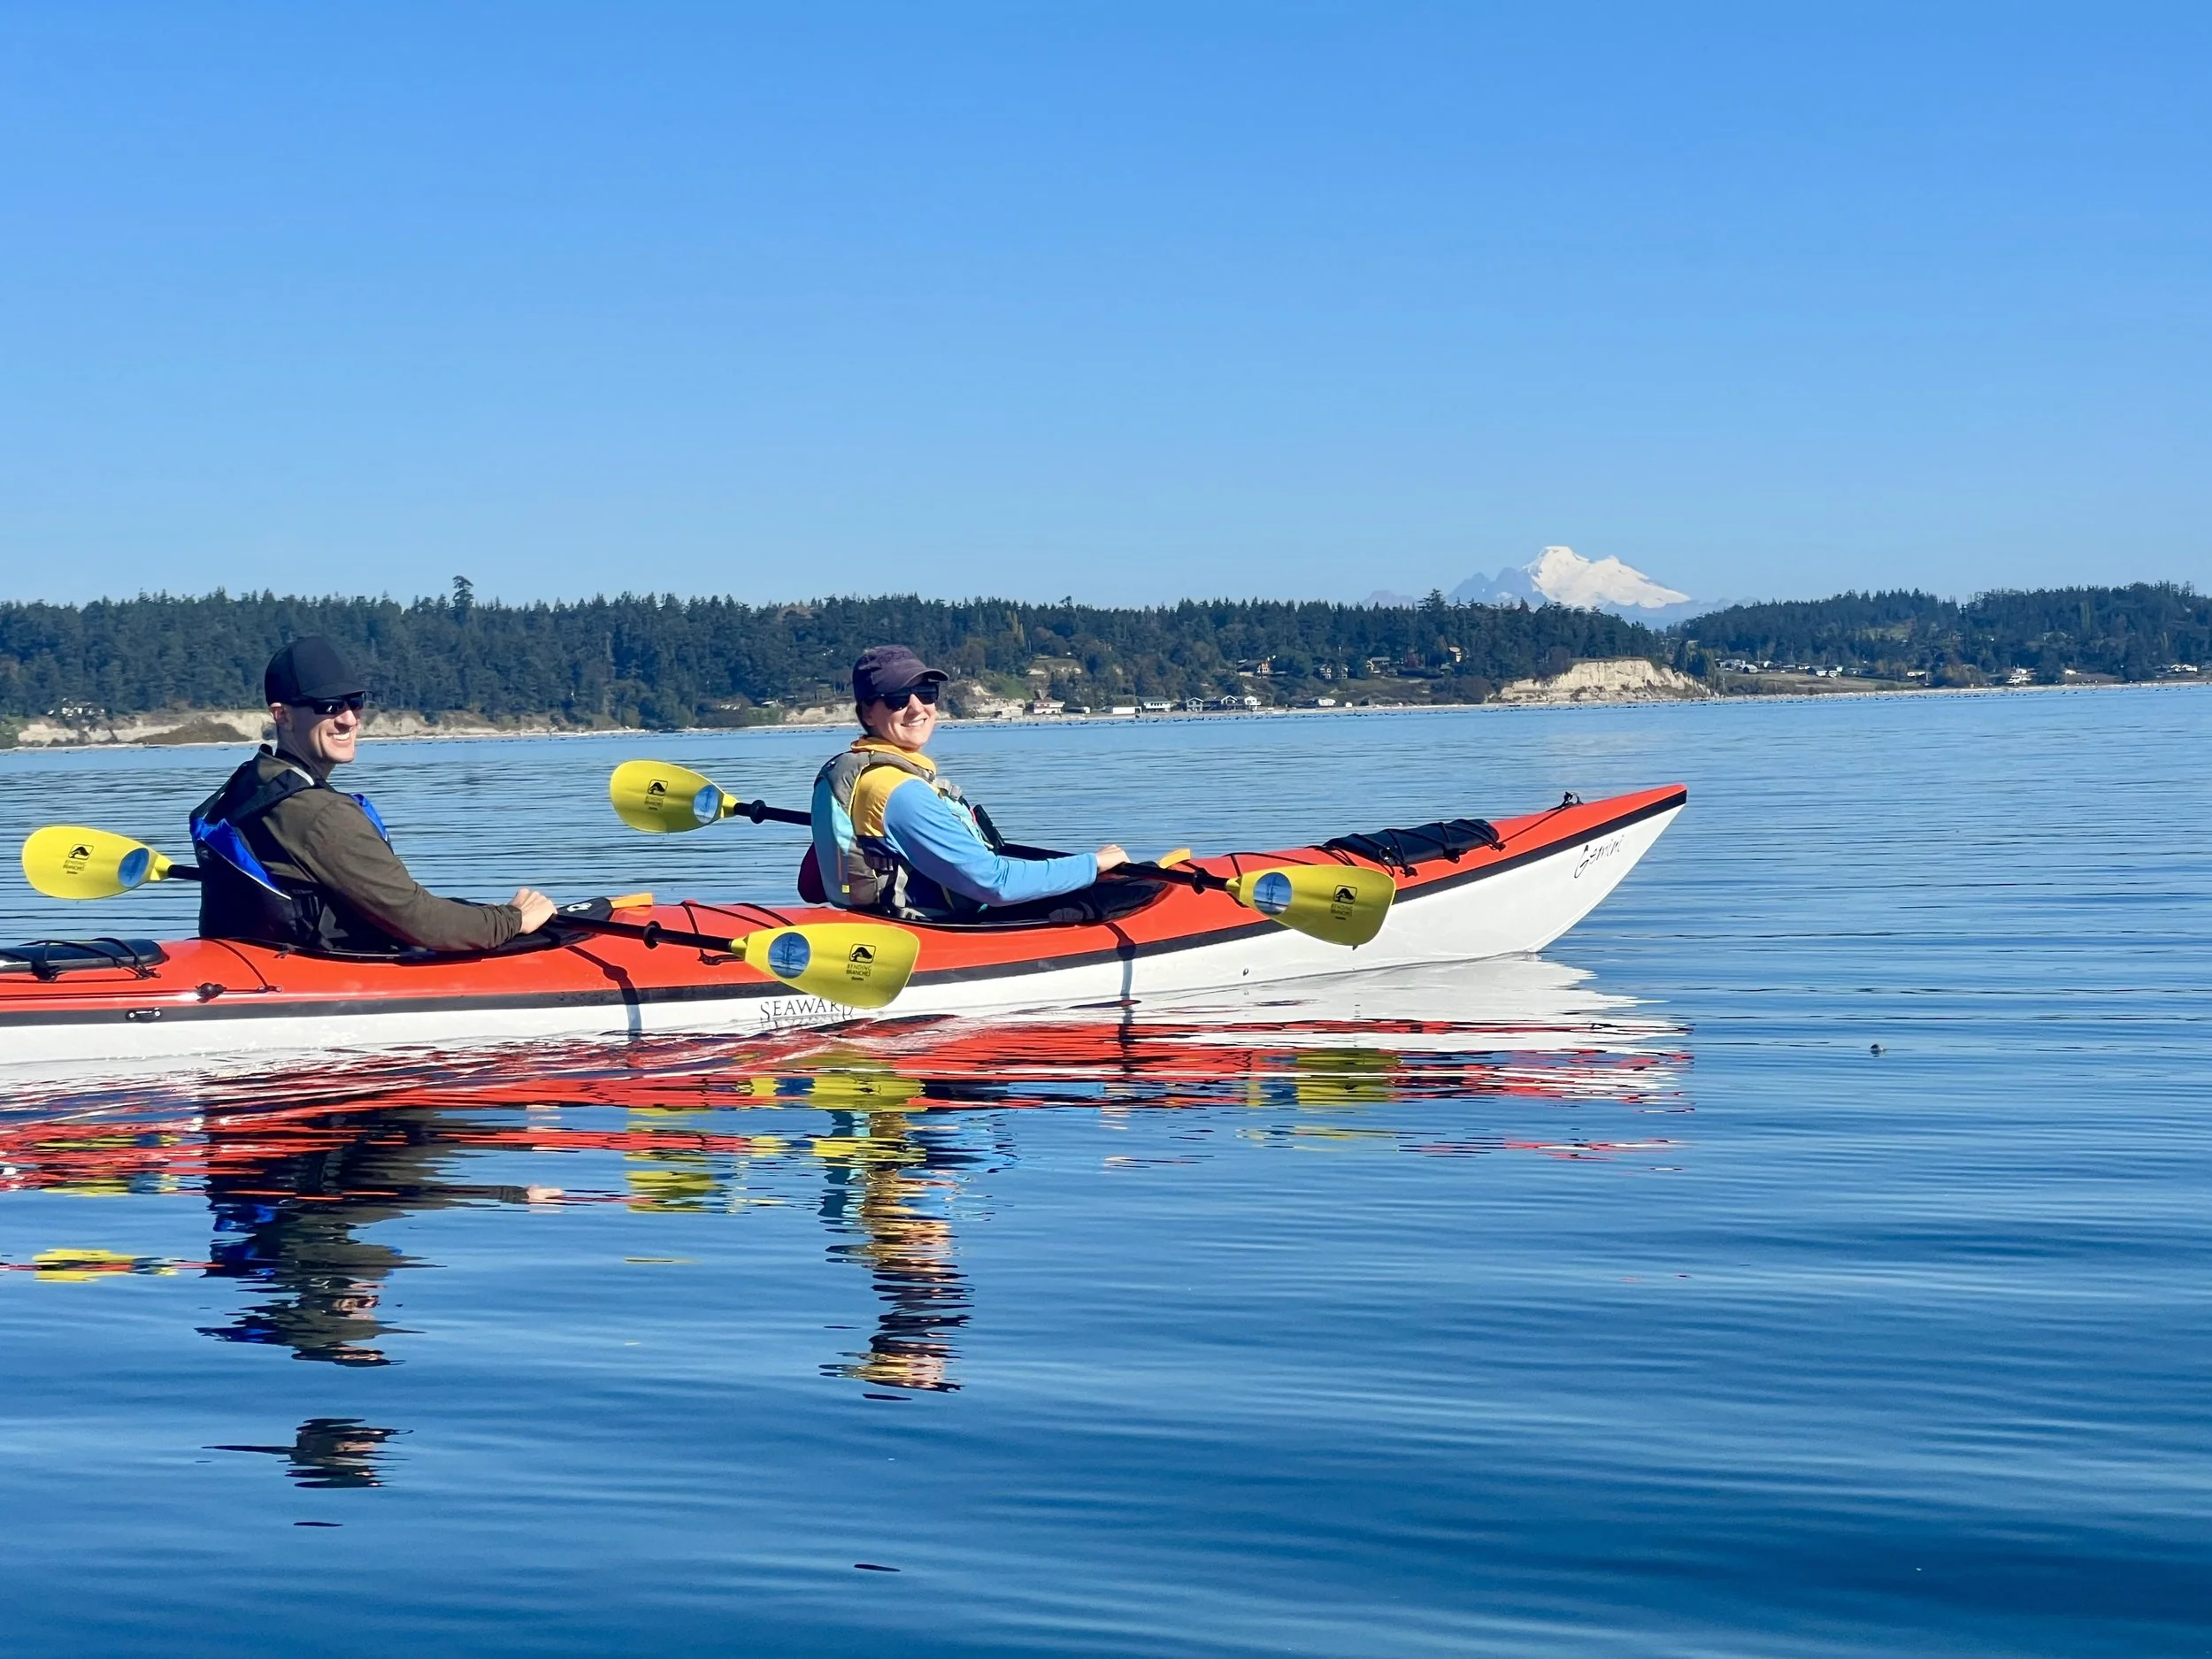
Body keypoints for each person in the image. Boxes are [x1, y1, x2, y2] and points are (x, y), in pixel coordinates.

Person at [189, 635, 557, 954]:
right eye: (328, 707)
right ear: (282, 716)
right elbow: (421, 921)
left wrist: (477, 916)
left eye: (355, 701)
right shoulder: (321, 814)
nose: (349, 719)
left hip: (257, 960)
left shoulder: (249, 786)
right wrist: (513, 919)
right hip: (316, 979)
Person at [810, 644, 1128, 918]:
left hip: (878, 919)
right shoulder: (898, 792)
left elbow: (810, 882)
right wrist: (1093, 864)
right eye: (896, 699)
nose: (917, 708)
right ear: (867, 713)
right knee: (1130, 892)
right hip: (928, 930)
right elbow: (996, 885)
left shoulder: (849, 773)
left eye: (925, 693)